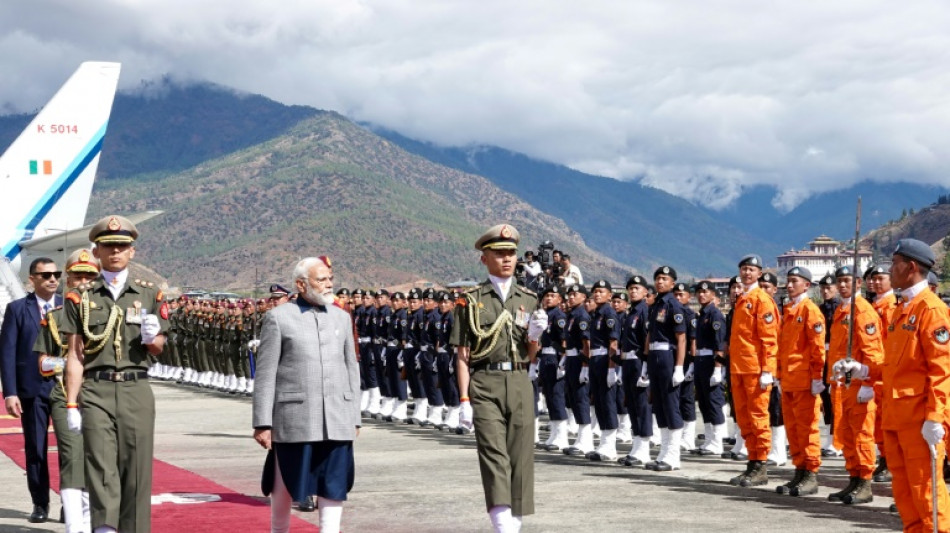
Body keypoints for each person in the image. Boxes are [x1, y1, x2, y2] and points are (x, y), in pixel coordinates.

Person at [61, 215, 168, 533]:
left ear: (132, 251)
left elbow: (160, 347)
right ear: (97, 251)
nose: (115, 252)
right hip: (97, 389)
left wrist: (152, 339)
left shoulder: (149, 295)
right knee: (101, 466)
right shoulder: (81, 298)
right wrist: (70, 403)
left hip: (136, 387)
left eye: (122, 246)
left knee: (136, 470)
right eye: (108, 247)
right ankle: (105, 528)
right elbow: (75, 355)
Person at [252, 256, 360, 533]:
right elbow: (266, 374)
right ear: (301, 284)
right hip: (295, 417)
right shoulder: (278, 318)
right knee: (286, 481)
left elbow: (351, 366)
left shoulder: (341, 317)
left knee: (334, 483)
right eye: (320, 280)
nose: (328, 285)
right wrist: (263, 422)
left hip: (337, 416)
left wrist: (354, 416)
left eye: (330, 279)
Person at [450, 224, 545, 533]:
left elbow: (530, 354)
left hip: (519, 380)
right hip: (485, 382)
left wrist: (535, 336)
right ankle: (504, 529)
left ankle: (512, 527)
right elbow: (463, 354)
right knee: (494, 456)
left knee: (520, 458)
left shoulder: (528, 299)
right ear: (484, 259)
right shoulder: (470, 300)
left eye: (511, 254)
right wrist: (464, 399)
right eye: (499, 254)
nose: (507, 259)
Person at [882, 239, 950, 532]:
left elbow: (942, 370)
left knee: (926, 492)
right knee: (904, 492)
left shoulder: (930, 310)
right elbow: (897, 366)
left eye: (894, 263)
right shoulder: (903, 308)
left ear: (910, 267)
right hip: (896, 415)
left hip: (919, 419)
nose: (889, 269)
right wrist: (863, 370)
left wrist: (935, 417)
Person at [34, 249, 99, 532]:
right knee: (73, 458)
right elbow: (43, 365)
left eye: (89, 276)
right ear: (68, 278)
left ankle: (98, 519)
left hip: (104, 395)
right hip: (66, 395)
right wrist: (72, 361)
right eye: (77, 275)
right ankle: (75, 524)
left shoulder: (111, 312)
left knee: (101, 458)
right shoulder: (55, 317)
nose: (83, 281)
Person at [0, 256, 63, 523]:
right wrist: (10, 392)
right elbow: (8, 352)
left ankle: (70, 504)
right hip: (31, 389)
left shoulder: (68, 306)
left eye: (56, 274)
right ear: (32, 279)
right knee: (35, 448)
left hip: (64, 388)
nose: (52, 279)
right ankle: (40, 503)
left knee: (69, 450)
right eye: (46, 275)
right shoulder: (17, 309)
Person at [826, 264, 884, 505]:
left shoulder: (863, 311)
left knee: (861, 434)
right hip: (844, 384)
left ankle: (865, 482)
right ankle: (853, 476)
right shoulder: (843, 310)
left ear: (858, 283)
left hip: (860, 383)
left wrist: (869, 383)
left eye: (847, 280)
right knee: (847, 433)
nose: (842, 285)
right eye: (839, 280)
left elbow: (874, 354)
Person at [728, 254, 779, 487]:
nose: (747, 273)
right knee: (744, 418)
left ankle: (761, 465)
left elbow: (769, 339)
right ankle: (752, 461)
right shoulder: (741, 299)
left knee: (758, 416)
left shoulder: (762, 299)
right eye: (744, 269)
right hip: (739, 367)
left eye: (752, 269)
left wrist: (768, 370)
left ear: (759, 273)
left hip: (755, 369)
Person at [774, 266, 826, 497]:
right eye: (789, 280)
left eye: (795, 281)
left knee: (807, 429)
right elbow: (782, 347)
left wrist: (817, 378)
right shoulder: (789, 310)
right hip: (789, 380)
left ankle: (811, 474)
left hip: (804, 381)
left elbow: (817, 349)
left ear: (807, 285)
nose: (790, 284)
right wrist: (778, 374)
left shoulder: (810, 311)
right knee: (793, 430)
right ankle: (799, 469)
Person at [644, 266, 687, 472]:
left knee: (670, 405)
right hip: (654, 356)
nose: (660, 282)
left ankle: (673, 455)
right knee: (659, 406)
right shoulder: (655, 306)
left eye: (664, 279)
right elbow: (650, 334)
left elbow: (681, 338)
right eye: (657, 278)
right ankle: (663, 452)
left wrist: (679, 367)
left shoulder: (673, 305)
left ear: (672, 283)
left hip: (668, 356)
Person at [690, 280, 728, 457]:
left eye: (706, 292)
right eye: (699, 292)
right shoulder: (702, 315)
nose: (701, 294)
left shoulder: (715, 315)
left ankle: (717, 442)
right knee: (704, 403)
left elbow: (720, 344)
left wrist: (718, 369)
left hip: (711, 361)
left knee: (713, 402)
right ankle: (709, 440)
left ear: (714, 295)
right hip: (700, 360)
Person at [618, 275, 653, 466]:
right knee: (631, 404)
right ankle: (637, 445)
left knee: (642, 405)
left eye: (637, 288)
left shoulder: (644, 312)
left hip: (639, 361)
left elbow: (646, 340)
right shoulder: (631, 313)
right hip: (628, 362)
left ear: (645, 292)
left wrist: (646, 368)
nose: (633, 291)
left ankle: (644, 448)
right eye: (630, 288)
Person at [587, 280, 621, 461]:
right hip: (595, 359)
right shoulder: (597, 314)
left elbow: (613, 344)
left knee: (607, 402)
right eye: (595, 291)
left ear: (609, 295)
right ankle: (604, 443)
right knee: (599, 401)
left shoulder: (609, 314)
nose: (597, 294)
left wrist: (611, 369)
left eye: (601, 291)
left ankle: (610, 446)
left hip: (604, 359)